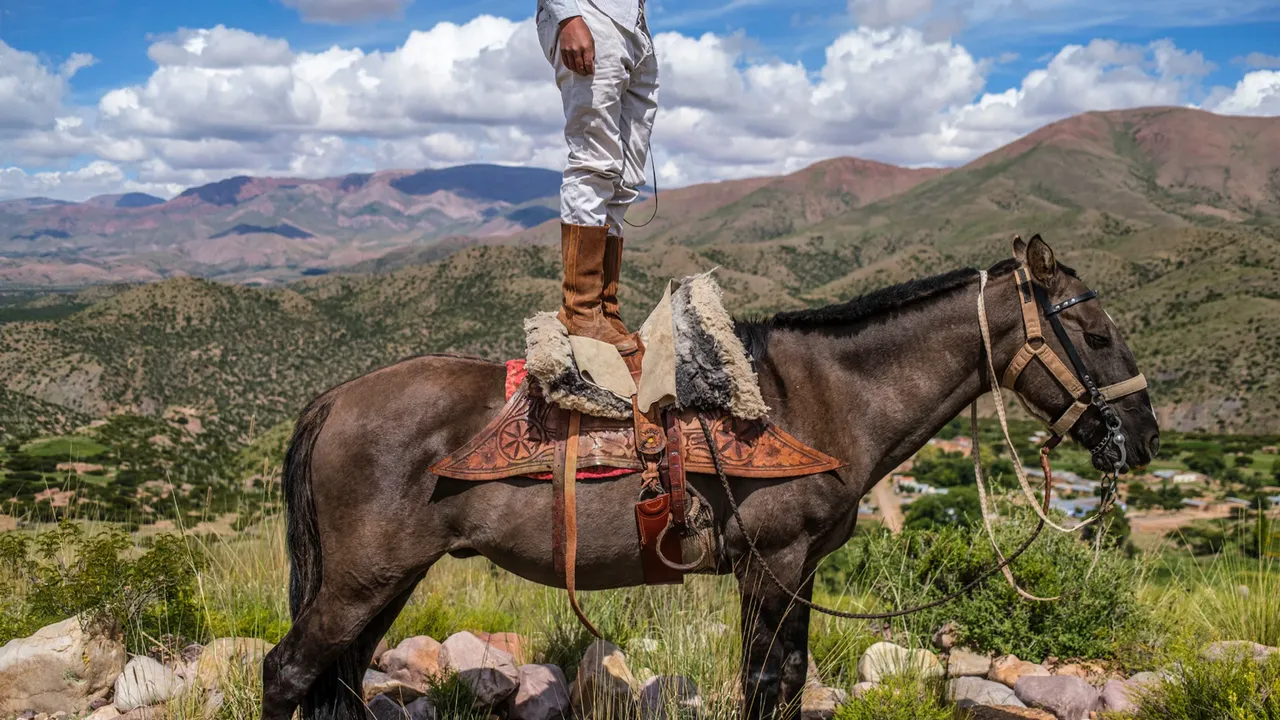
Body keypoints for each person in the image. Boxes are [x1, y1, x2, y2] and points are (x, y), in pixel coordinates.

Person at [536, 0, 658, 357]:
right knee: (595, 161)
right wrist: (567, 16)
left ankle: (605, 308)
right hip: (589, 13)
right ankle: (580, 311)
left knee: (625, 173)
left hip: (635, 27)